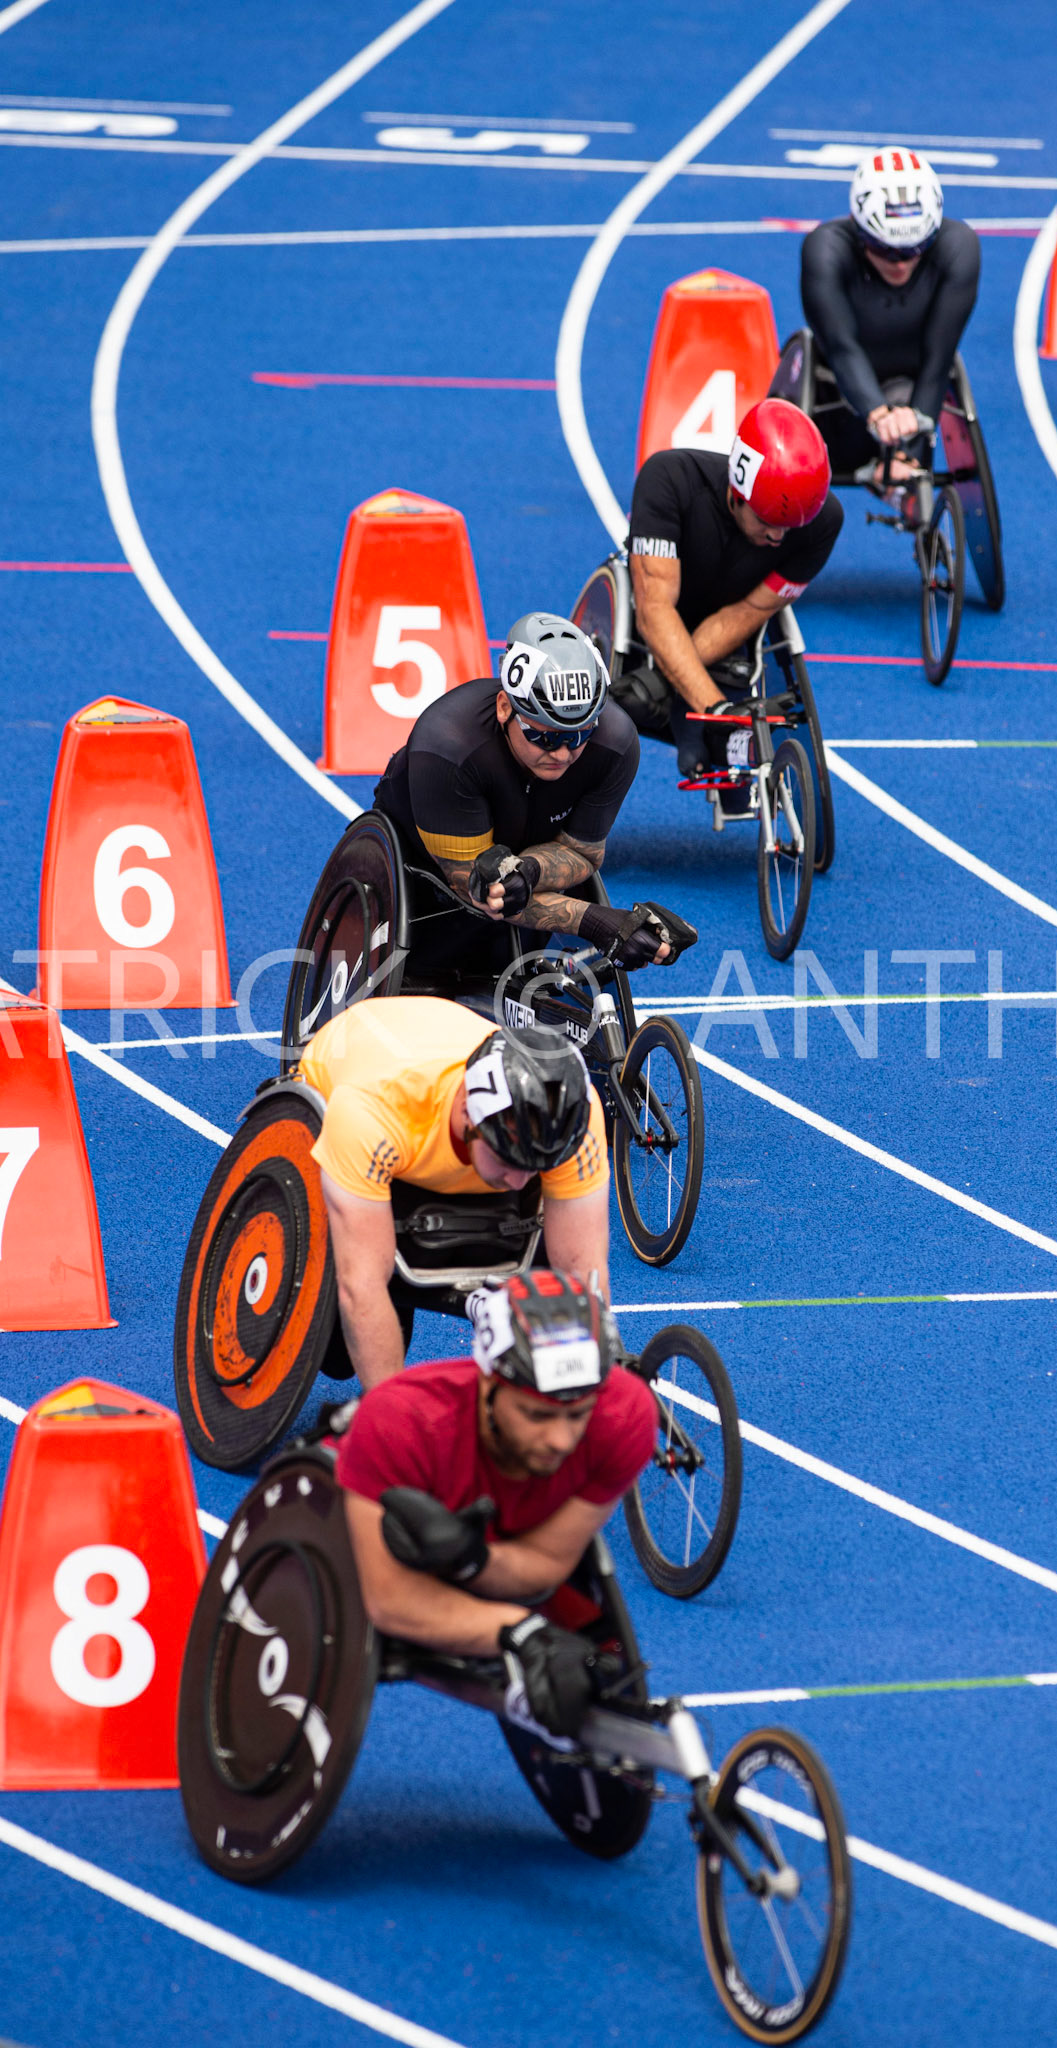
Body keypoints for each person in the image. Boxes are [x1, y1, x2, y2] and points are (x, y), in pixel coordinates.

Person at [337, 1270, 657, 1736]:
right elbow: (388, 1602)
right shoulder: (397, 1422)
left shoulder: (623, 1417)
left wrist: (473, 1560)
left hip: (488, 1555)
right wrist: (522, 1631)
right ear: (488, 1385)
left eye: (578, 1414)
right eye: (538, 1414)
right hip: (368, 1550)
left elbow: (548, 1561)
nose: (561, 1439)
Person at [298, 998, 610, 1391]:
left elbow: (584, 1273)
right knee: (341, 1355)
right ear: (467, 1112)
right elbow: (361, 1288)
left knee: (556, 1294)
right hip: (368, 1079)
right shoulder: (373, 1111)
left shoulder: (570, 1119)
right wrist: (393, 1418)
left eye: (535, 1167)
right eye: (508, 1159)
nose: (518, 1180)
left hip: (437, 1051)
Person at [373, 610, 677, 978]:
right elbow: (476, 887)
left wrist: (528, 871)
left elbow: (582, 854)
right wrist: (598, 922)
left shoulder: (615, 743)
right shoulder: (447, 745)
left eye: (579, 736)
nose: (563, 754)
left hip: (524, 853)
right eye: (544, 737)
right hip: (422, 864)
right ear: (505, 707)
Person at [621, 397, 841, 781]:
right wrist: (717, 708)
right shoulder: (668, 479)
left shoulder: (823, 523)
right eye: (767, 519)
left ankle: (704, 726)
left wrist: (708, 705)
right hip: (657, 616)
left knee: (734, 742)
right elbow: (654, 610)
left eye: (790, 527)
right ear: (738, 492)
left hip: (730, 630)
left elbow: (750, 612)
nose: (777, 536)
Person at [799, 147, 980, 523]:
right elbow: (840, 345)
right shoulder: (825, 248)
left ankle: (900, 474)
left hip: (910, 391)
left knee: (926, 382)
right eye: (885, 250)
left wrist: (910, 442)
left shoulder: (959, 247)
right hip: (835, 399)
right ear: (858, 227)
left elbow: (939, 356)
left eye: (915, 250)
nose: (901, 264)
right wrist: (878, 413)